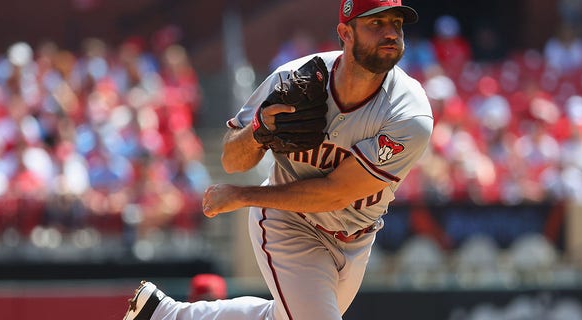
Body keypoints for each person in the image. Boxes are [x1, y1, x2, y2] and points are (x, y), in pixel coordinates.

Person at [122, 0, 433, 319]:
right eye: (376, 24)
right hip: (290, 221)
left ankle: (164, 315)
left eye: (396, 23)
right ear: (345, 32)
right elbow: (232, 159)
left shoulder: (408, 113)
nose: (391, 33)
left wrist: (243, 195)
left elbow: (337, 192)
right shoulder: (294, 80)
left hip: (357, 235)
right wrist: (259, 129)